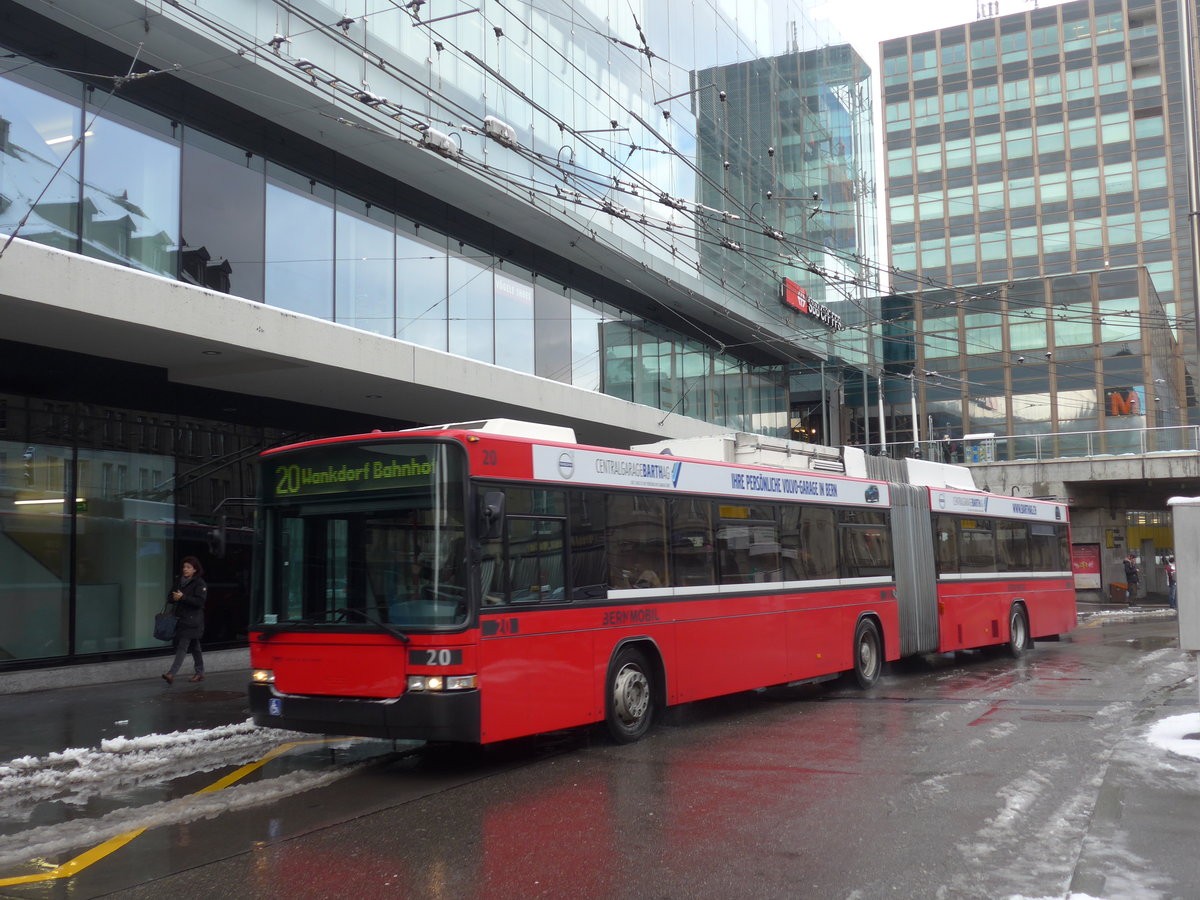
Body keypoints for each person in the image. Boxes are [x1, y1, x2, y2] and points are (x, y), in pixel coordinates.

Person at [163, 556, 207, 684]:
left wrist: (183, 597)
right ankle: (200, 672)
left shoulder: (200, 584)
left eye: (188, 567)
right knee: (195, 647)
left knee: (183, 646)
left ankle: (171, 673)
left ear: (195, 570)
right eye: (184, 567)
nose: (185, 570)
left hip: (193, 621)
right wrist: (175, 598)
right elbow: (169, 597)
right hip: (180, 619)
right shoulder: (179, 581)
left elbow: (200, 602)